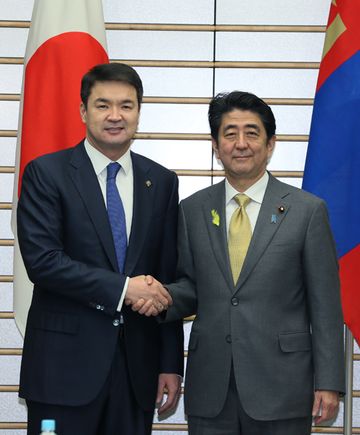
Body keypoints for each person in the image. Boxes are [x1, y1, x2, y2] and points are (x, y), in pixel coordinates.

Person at [132, 91, 345, 434]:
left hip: (283, 387)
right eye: (230, 134)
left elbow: (326, 306)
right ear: (216, 145)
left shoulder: (307, 211)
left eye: (252, 132)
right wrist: (161, 297)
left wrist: (329, 382)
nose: (241, 143)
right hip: (211, 388)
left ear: (270, 143)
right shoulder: (192, 209)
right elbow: (190, 286)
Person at [17, 63, 184, 435]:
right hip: (62, 372)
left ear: (139, 111)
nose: (115, 116)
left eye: (126, 106)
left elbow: (166, 277)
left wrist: (170, 363)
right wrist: (125, 289)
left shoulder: (161, 181)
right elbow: (44, 262)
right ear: (83, 111)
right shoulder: (46, 173)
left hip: (136, 374)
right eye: (103, 104)